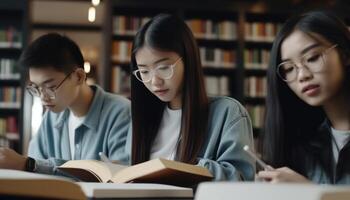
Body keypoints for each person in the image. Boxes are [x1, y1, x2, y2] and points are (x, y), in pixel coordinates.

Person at [125, 13, 255, 181]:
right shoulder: (141, 118)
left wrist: (181, 169)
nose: (155, 81)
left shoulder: (228, 113)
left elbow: (240, 179)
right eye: (144, 72)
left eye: (164, 68)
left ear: (188, 59)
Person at [0, 33, 130, 174]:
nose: (43, 98)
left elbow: (121, 176)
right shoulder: (50, 118)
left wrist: (30, 164)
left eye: (50, 87)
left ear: (79, 76)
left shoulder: (121, 113)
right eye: (36, 88)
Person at [258, 10, 350, 184]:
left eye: (313, 58)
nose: (302, 75)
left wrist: (308, 191)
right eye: (289, 69)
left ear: (345, 54)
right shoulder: (301, 145)